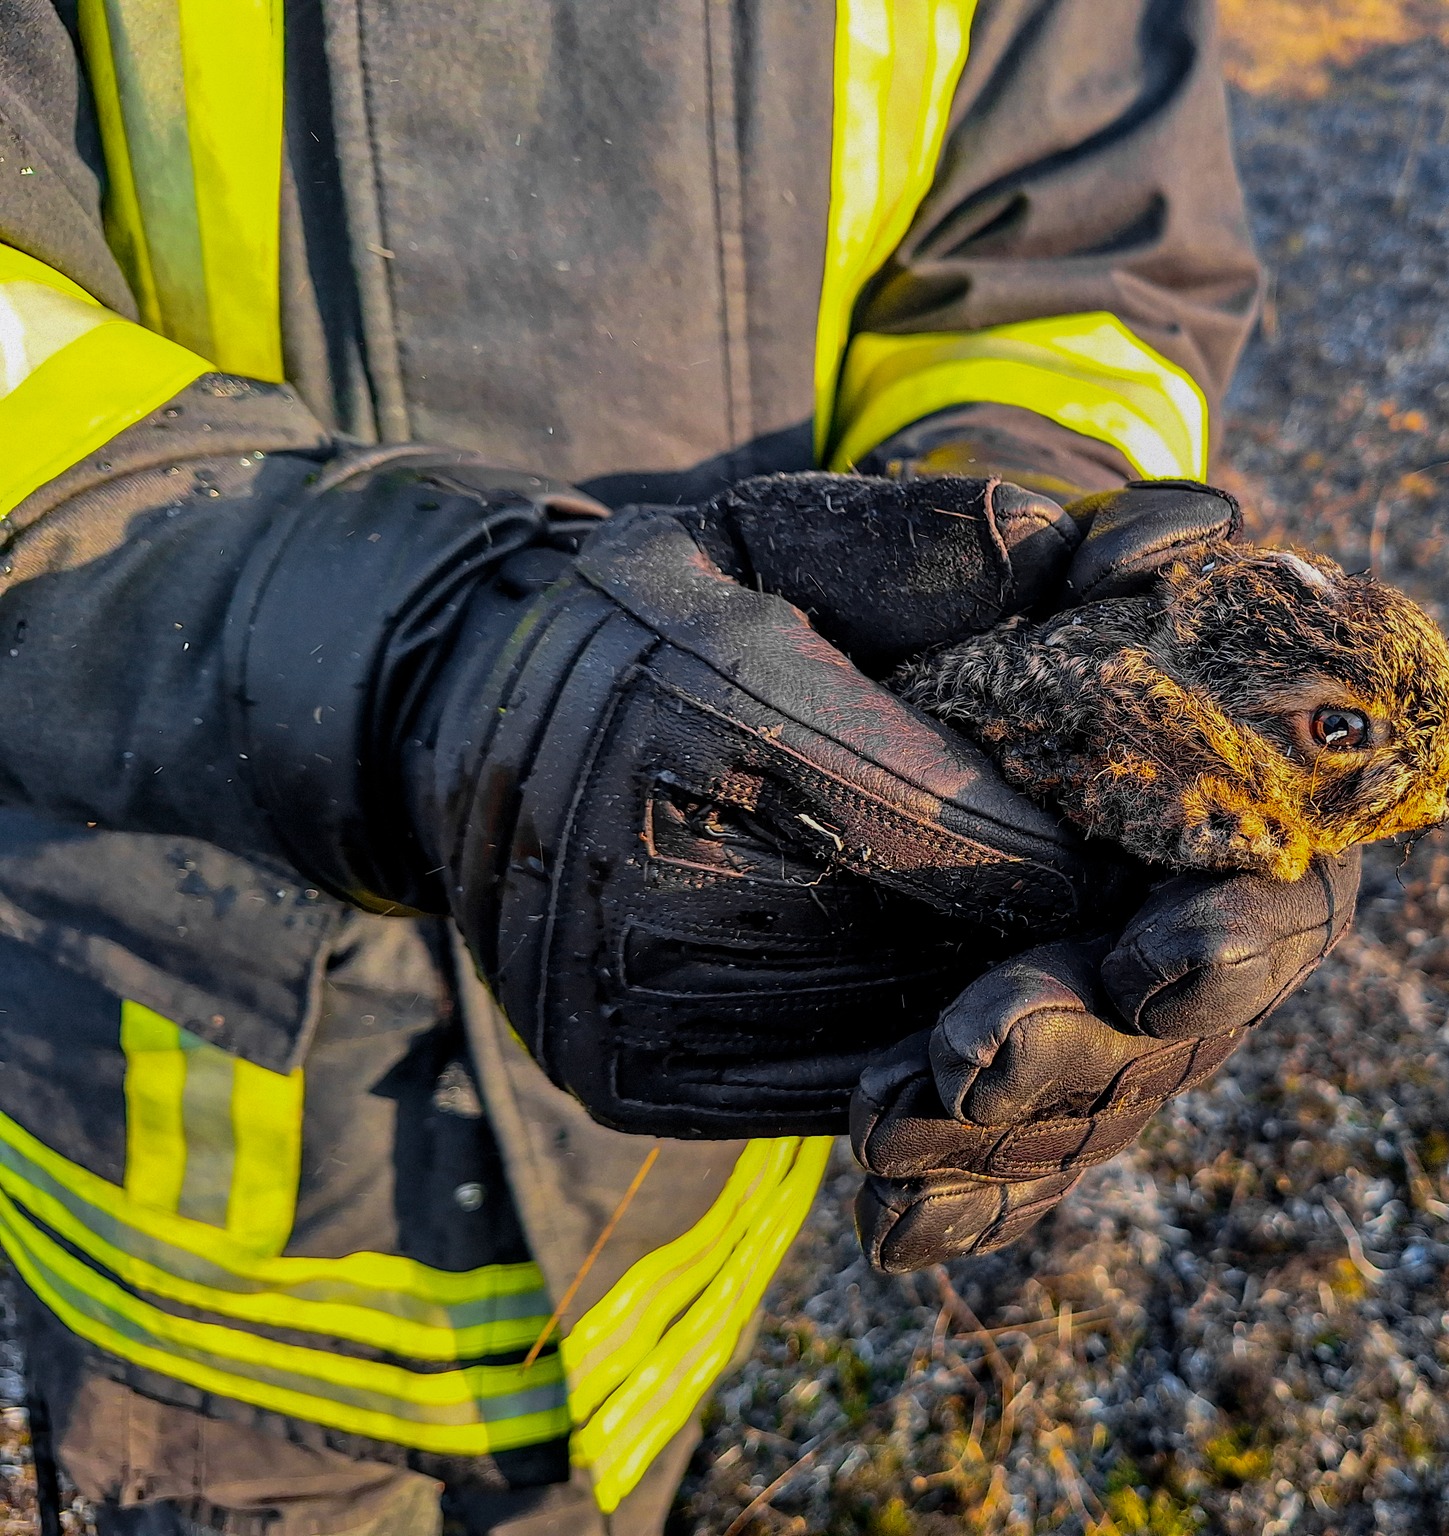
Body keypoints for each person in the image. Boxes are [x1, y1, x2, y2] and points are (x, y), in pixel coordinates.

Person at [0, 0, 1363, 1530]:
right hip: (215, 1239)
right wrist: (423, 665)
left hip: (697, 1228)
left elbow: (1072, 248)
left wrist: (1026, 589)